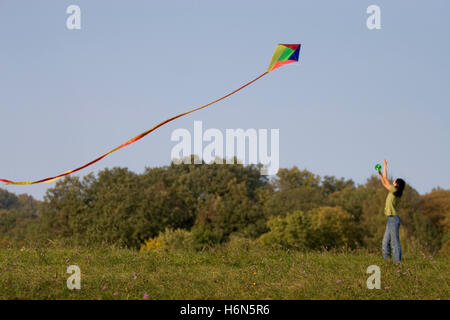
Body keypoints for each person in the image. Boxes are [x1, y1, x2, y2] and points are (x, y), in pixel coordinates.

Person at [378, 159, 405, 263]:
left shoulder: (395, 190)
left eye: (395, 181)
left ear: (397, 184)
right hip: (390, 219)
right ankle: (388, 263)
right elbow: (384, 182)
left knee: (395, 242)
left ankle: (398, 263)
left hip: (393, 219)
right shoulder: (395, 191)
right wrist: (380, 173)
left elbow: (385, 180)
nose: (393, 182)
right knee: (385, 242)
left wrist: (384, 166)